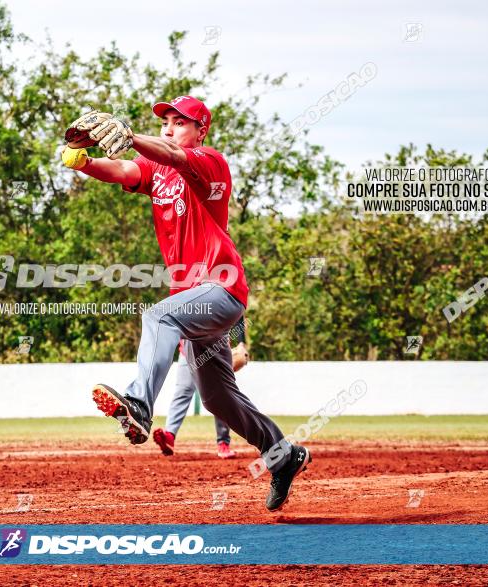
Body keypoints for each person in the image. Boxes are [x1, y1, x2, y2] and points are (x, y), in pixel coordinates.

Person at [62, 97, 311, 511]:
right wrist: (84, 162)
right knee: (216, 398)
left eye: (181, 122)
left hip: (222, 287)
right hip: (192, 304)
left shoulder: (208, 162)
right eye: (165, 121)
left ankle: (140, 405)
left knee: (158, 316)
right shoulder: (157, 170)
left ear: (201, 131)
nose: (170, 127)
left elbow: (175, 154)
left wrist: (129, 136)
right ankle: (283, 454)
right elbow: (122, 169)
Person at [152, 318, 250, 459]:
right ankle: (169, 436)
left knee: (220, 396)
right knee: (184, 391)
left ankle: (223, 443)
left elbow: (238, 315)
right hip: (188, 349)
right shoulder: (188, 297)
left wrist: (240, 342)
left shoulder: (220, 296)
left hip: (216, 349)